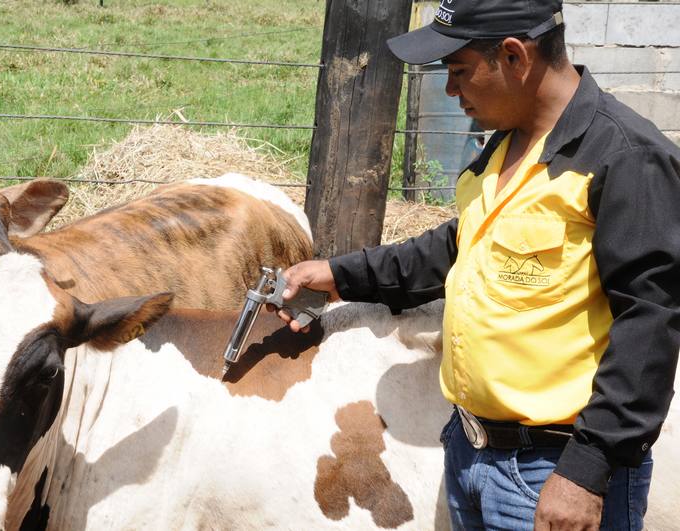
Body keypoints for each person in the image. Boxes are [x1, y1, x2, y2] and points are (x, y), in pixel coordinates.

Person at [273, 1, 680, 529]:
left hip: (555, 472)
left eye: (459, 70)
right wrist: (342, 275)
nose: (450, 90)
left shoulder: (626, 157)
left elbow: (650, 325)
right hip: (472, 452)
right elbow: (459, 246)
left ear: (514, 57)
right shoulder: (509, 143)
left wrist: (586, 471)